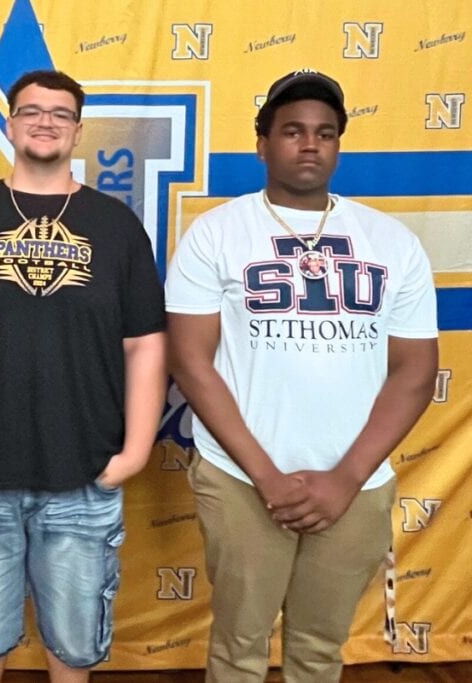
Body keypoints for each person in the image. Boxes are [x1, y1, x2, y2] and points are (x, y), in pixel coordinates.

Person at [165, 69, 439, 682]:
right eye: (292, 131)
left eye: (325, 133)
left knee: (319, 649)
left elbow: (416, 372)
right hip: (241, 477)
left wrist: (346, 476)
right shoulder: (215, 234)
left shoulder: (391, 241)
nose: (310, 144)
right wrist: (265, 476)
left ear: (339, 144)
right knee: (239, 647)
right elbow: (190, 359)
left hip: (356, 482)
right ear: (262, 144)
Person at [0, 70, 167, 682]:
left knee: (74, 652)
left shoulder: (115, 225)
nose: (45, 121)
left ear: (77, 128)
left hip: (83, 475)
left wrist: (135, 449)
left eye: (60, 112)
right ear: (10, 123)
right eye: (31, 111)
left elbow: (147, 346)